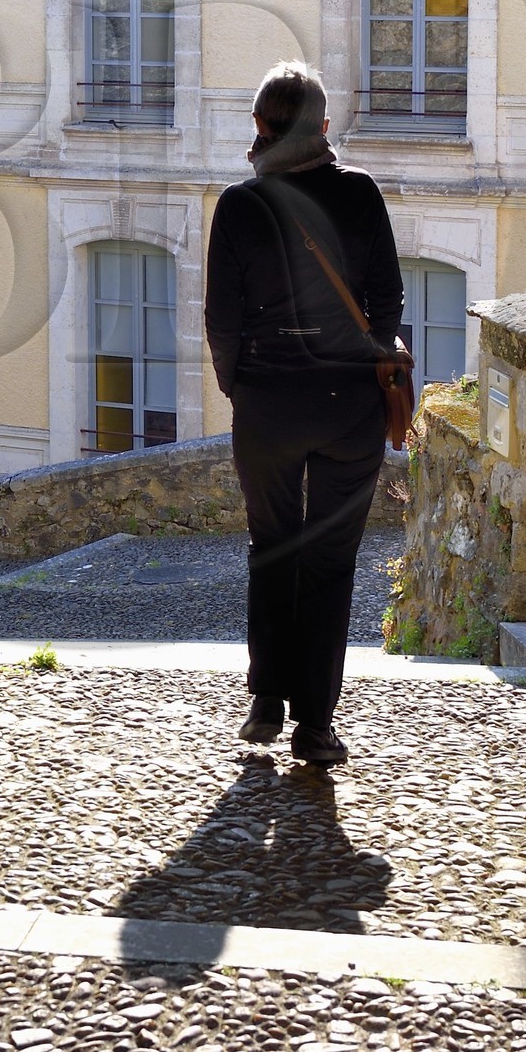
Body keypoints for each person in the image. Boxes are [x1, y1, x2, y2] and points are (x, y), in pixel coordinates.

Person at [204, 61, 408, 767]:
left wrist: (245, 391)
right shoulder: (360, 196)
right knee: (328, 560)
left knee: (272, 545)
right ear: (325, 127)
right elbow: (387, 303)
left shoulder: (238, 205)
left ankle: (266, 698)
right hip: (347, 403)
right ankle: (315, 726)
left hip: (266, 402)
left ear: (260, 128)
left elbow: (221, 323)